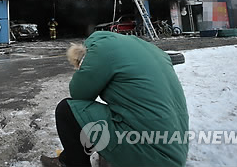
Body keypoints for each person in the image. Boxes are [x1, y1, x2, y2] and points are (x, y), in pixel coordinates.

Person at [41, 31, 189, 167]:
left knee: (67, 110)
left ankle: (70, 163)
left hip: (152, 155)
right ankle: (68, 158)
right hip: (175, 150)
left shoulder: (100, 49)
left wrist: (83, 67)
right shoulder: (149, 49)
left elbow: (79, 93)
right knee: (106, 112)